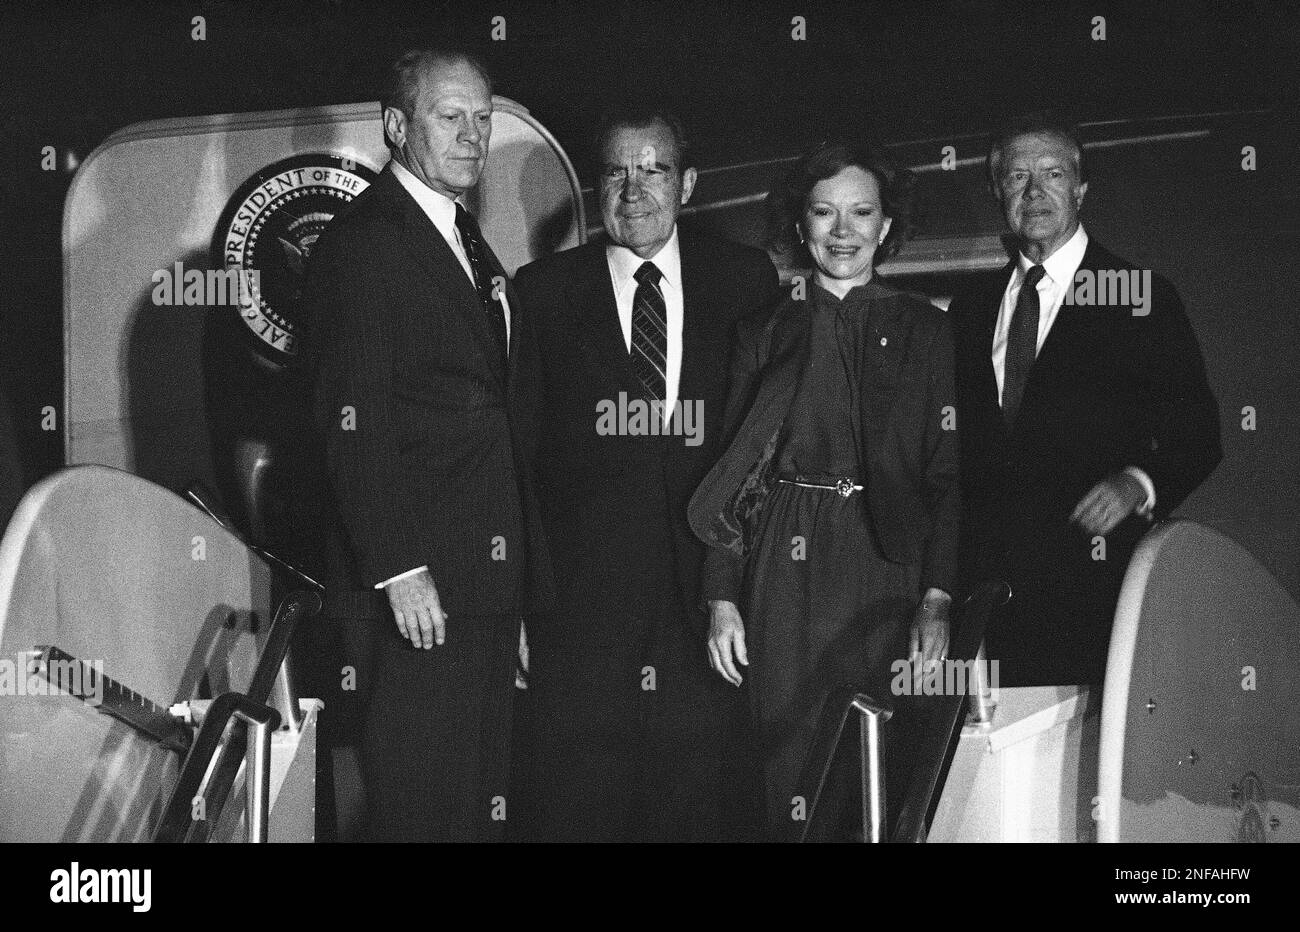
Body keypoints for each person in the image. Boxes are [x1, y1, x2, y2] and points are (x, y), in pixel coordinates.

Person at [300, 47, 550, 842]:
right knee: (423, 811)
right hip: (416, 594)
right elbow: (351, 421)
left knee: (472, 808)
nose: (473, 136)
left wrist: (509, 592)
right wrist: (400, 567)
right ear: (395, 126)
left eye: (483, 118)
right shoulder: (366, 243)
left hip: (478, 585)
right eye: (451, 117)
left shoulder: (460, 236)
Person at [512, 107, 781, 841]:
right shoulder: (541, 293)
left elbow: (768, 447)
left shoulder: (745, 281)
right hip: (580, 610)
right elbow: (518, 460)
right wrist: (522, 601)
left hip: (708, 601)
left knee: (696, 808)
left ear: (686, 183)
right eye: (616, 172)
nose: (634, 190)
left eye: (654, 169)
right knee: (584, 806)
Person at [687, 140, 959, 842]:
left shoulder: (929, 331)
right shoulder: (762, 331)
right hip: (783, 563)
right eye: (824, 213)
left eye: (861, 212)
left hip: (884, 564)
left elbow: (946, 477)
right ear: (801, 225)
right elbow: (732, 475)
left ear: (886, 226)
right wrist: (721, 596)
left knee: (880, 768)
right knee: (787, 762)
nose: (843, 231)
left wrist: (936, 599)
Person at [949, 114, 1221, 686]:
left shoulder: (1138, 295)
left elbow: (1197, 434)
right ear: (999, 193)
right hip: (985, 601)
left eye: (1052, 174)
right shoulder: (970, 306)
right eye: (1017, 176)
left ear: (1081, 190)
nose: (1034, 191)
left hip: (1090, 592)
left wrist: (1135, 483)